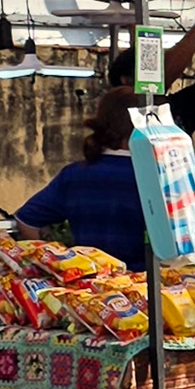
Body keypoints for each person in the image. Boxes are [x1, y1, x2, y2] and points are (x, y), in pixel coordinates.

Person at [15, 98, 154, 267]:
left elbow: (26, 221)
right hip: (144, 279)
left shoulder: (74, 174)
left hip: (88, 278)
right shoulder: (154, 175)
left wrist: (55, 264)